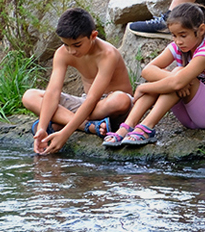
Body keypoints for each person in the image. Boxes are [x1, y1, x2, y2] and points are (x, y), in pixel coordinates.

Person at [105, 4, 205, 147]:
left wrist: (145, 87)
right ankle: (126, 126)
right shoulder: (178, 47)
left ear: (201, 30)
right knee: (176, 76)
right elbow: (148, 70)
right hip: (189, 118)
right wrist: (172, 80)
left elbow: (177, 82)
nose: (178, 41)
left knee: (178, 75)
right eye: (174, 35)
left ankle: (146, 126)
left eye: (183, 35)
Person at [21, 8, 133, 154]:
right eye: (66, 44)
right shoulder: (62, 53)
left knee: (120, 99)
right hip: (86, 107)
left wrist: (65, 133)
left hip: (107, 106)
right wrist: (42, 127)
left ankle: (61, 124)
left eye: (77, 45)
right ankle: (90, 127)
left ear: (93, 36)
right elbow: (53, 91)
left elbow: (93, 98)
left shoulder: (107, 54)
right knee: (30, 96)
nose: (71, 51)